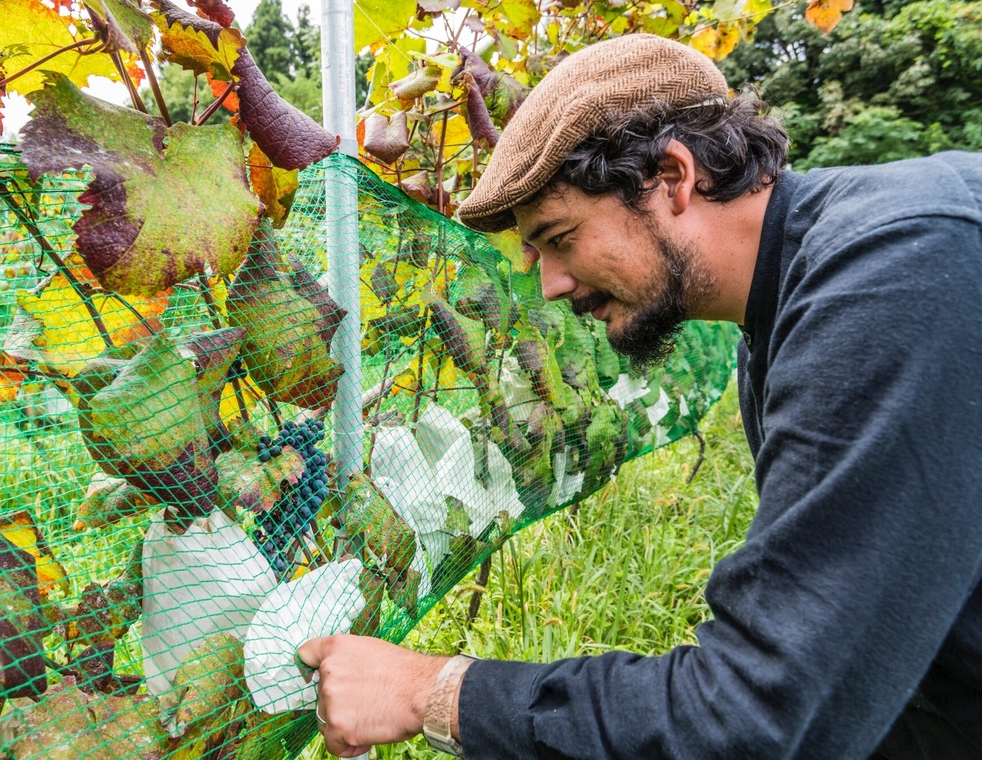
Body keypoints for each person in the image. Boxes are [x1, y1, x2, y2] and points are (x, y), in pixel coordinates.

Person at [298, 33, 982, 759]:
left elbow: (755, 714)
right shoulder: (787, 308)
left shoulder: (898, 278)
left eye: (560, 239)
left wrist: (430, 691)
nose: (552, 288)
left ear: (672, 176)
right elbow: (879, 655)